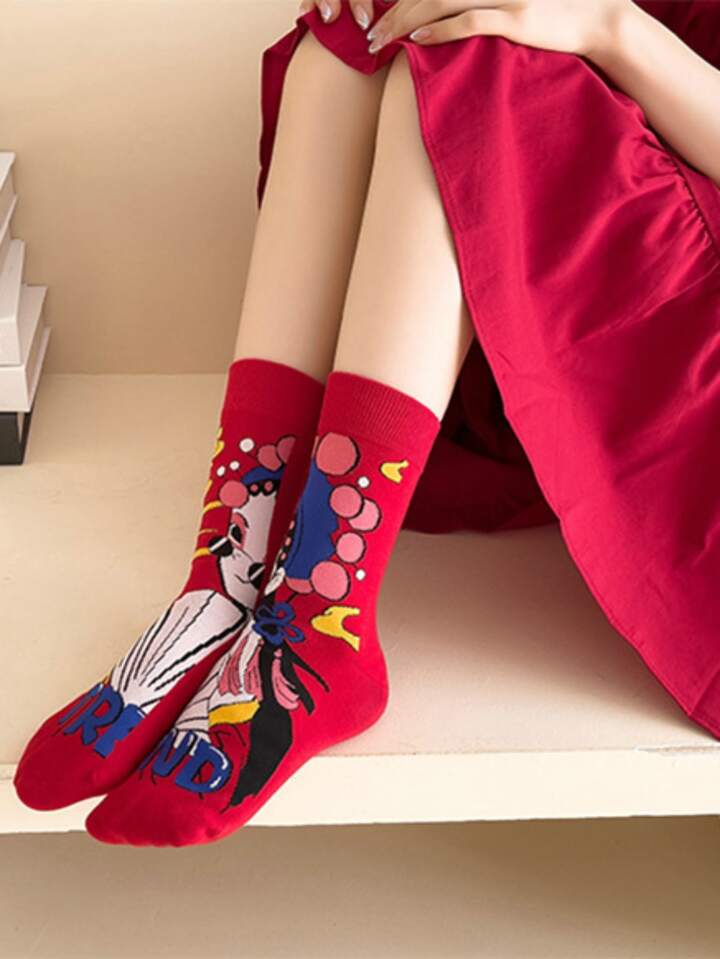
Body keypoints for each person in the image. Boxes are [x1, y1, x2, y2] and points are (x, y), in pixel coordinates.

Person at [13, 0, 720, 846]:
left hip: (666, 334)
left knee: (475, 59)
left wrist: (606, 23)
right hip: (521, 289)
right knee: (354, 39)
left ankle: (321, 612)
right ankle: (225, 579)